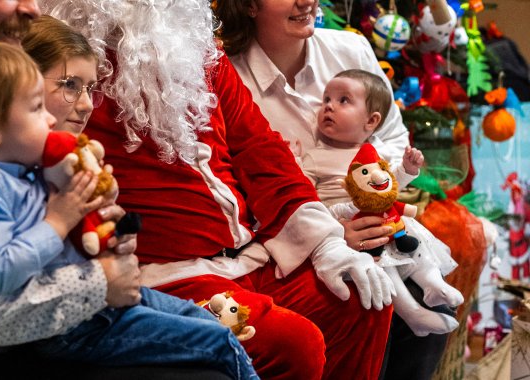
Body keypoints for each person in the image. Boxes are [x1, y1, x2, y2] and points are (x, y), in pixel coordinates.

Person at [50, 0, 396, 379]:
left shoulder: (197, 48)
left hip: (251, 257)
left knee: (362, 299)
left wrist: (326, 243)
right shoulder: (67, 67)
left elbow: (260, 148)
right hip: (171, 276)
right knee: (293, 342)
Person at [0, 1, 219, 378]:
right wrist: (96, 283)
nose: (32, 7)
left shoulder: (6, 96)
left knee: (213, 341)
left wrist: (89, 229)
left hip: (34, 338)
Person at [212, 1, 453, 378]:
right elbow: (235, 190)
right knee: (366, 298)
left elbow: (391, 134)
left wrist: (366, 192)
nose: (307, 1)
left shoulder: (349, 49)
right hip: (285, 245)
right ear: (249, 5)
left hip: (372, 223)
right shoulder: (228, 76)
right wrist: (329, 231)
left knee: (429, 304)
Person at [300, 69, 463, 337]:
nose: (328, 105)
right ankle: (412, 313)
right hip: (346, 230)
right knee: (380, 265)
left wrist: (409, 169)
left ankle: (433, 283)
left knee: (413, 235)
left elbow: (391, 184)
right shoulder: (316, 156)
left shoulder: (378, 156)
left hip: (386, 222)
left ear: (371, 120)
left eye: (343, 100)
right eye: (326, 99)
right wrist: (334, 224)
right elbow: (307, 201)